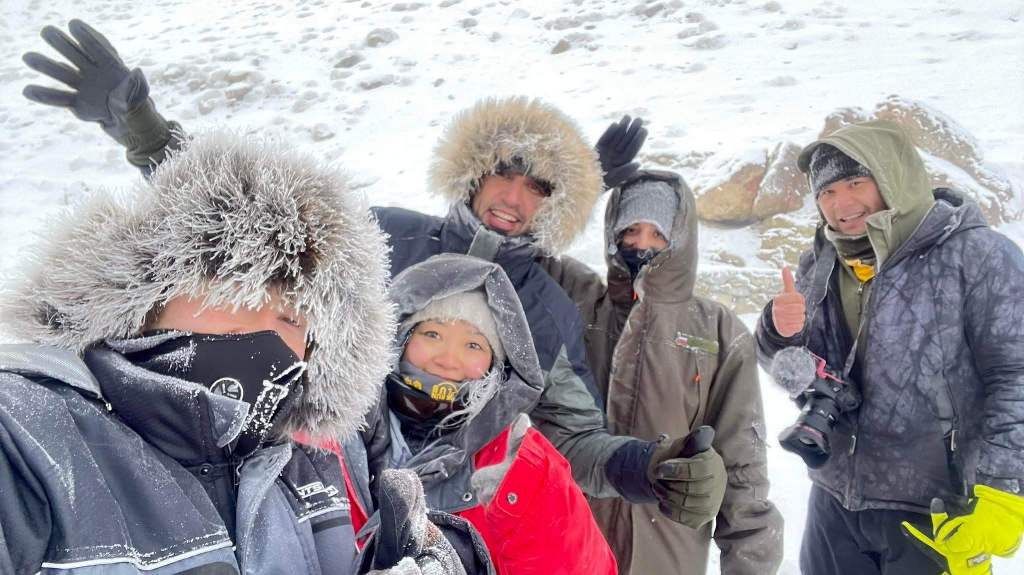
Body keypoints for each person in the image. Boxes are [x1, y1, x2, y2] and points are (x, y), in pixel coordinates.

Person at [22, 19, 729, 529]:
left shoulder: (546, 303)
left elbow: (572, 436)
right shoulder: (385, 234)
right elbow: (257, 222)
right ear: (473, 171)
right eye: (505, 173)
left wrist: (644, 467)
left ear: (554, 204)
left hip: (451, 525)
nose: (514, 197)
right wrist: (147, 132)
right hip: (311, 490)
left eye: (538, 187)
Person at [0, 130, 481, 575]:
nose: (261, 327)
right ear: (149, 294)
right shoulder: (31, 434)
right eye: (238, 286)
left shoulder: (304, 469)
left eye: (294, 317)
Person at [755, 120, 1024, 575]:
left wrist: (1004, 491)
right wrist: (779, 333)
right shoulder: (821, 262)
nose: (841, 204)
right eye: (826, 192)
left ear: (892, 177)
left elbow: (1015, 375)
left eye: (855, 183)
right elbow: (796, 371)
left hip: (935, 508)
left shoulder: (976, 255)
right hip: (835, 503)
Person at [541, 170, 782, 574]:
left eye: (657, 233)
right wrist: (581, 179)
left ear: (681, 237)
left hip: (667, 555)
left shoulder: (719, 331)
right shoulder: (576, 301)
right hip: (568, 547)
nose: (642, 244)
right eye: (630, 230)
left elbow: (743, 469)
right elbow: (512, 240)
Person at [346, 253, 617, 574]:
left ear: (495, 366)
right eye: (432, 334)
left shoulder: (521, 462)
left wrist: (516, 491)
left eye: (473, 345)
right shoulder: (330, 433)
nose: (449, 359)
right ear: (398, 340)